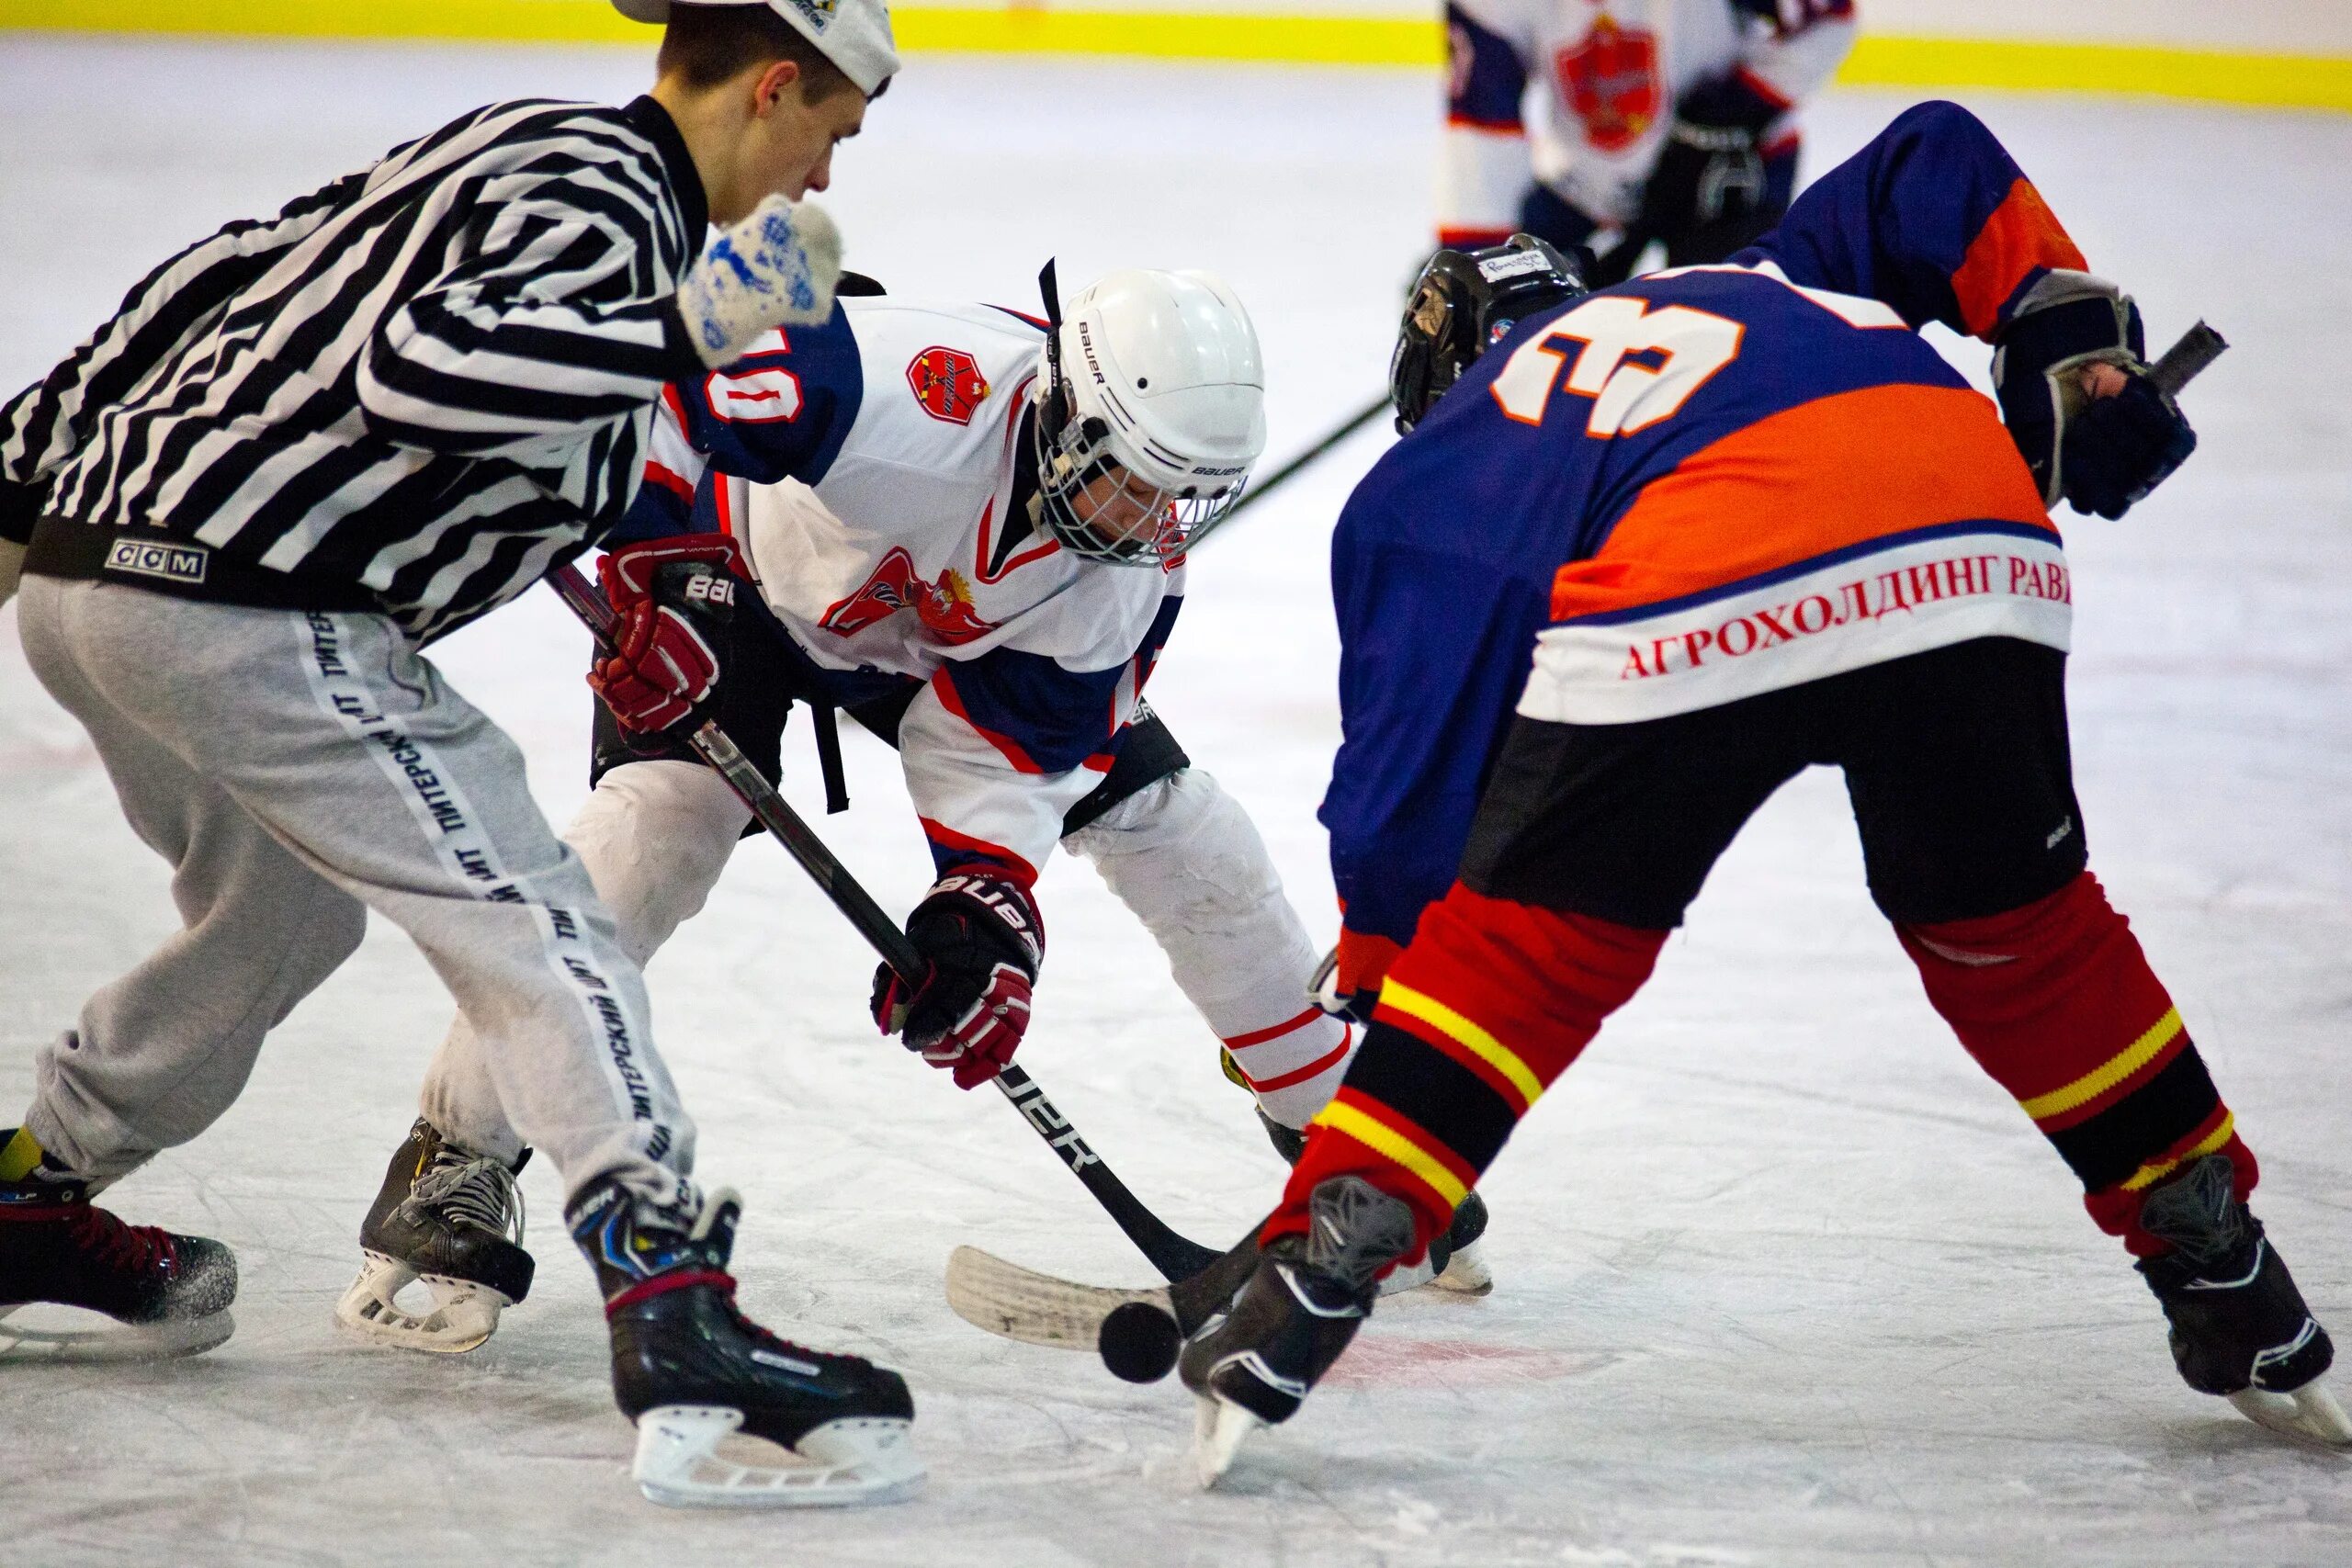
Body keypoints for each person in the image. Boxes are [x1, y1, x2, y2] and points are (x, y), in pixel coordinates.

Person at [1173, 100, 2349, 1483]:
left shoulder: (1438, 469)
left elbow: (1404, 803)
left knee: (1534, 942)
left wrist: (1382, 990)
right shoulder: (1765, 276)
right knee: (2021, 932)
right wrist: (2059, 330)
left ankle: (1320, 1264)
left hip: (1717, 549)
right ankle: (2223, 1266)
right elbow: (1936, 154)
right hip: (1976, 530)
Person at [0, 0, 929, 1511]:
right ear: (774, 87)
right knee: (542, 922)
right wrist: (680, 348)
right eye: (832, 131)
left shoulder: (508, 145)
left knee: (286, 911)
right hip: (251, 599)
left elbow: (230, 269)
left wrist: (19, 483)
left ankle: (38, 1186)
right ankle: (673, 1298)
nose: (825, 175)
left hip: (95, 577)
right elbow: (428, 370)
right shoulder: (612, 197)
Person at [334, 266, 1498, 1354]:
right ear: (1066, 414)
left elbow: (998, 749)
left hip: (922, 647)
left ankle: (1349, 1150)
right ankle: (453, 1157)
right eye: (1135, 478)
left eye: (1182, 499)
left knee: (1179, 829)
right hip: (732, 571)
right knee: (664, 822)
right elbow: (676, 382)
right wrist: (647, 563)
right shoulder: (901, 384)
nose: (1154, 522)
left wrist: (978, 909)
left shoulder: (1122, 574)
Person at [1440, 0, 1855, 273]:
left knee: (1717, 351)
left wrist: (1735, 106)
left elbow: (1830, 18)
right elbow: (1483, 131)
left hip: (1729, 173)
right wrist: (1476, 267)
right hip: (1590, 182)